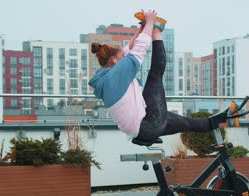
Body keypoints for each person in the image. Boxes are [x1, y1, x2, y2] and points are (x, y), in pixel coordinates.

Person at [89, 10, 212, 142]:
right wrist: (152, 25)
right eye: (122, 56)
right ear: (114, 59)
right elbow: (139, 48)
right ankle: (157, 34)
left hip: (144, 128)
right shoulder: (114, 77)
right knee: (155, 74)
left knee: (188, 123)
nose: (125, 56)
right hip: (147, 124)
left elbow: (129, 49)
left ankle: (214, 123)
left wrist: (142, 28)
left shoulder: (108, 76)